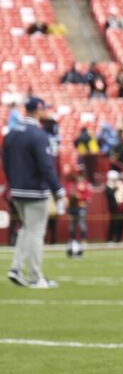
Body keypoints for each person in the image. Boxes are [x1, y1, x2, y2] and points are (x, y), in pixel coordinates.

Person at [4, 97, 66, 288]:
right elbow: (46, 166)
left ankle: (16, 268)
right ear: (38, 110)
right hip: (35, 192)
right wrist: (58, 190)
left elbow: (5, 162)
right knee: (36, 233)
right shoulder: (38, 135)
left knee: (27, 229)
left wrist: (13, 183)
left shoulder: (12, 133)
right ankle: (35, 276)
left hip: (17, 190)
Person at [66, 169, 91, 256]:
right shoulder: (70, 184)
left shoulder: (84, 183)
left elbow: (87, 195)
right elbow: (68, 194)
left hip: (81, 206)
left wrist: (80, 196)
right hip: (72, 207)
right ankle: (72, 239)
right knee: (72, 224)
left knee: (82, 222)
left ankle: (84, 239)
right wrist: (72, 196)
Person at [104, 170, 123, 243]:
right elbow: (109, 195)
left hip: (122, 207)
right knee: (113, 223)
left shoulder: (121, 185)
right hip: (114, 208)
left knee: (122, 223)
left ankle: (119, 239)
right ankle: (110, 239)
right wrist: (114, 189)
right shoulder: (108, 186)